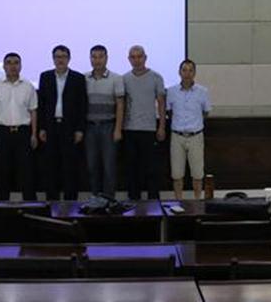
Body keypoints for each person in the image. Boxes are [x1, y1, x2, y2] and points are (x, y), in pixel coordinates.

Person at [0, 52, 39, 201]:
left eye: (16, 63)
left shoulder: (28, 86)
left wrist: (34, 134)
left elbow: (33, 111)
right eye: (9, 63)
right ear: (4, 66)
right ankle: (1, 206)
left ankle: (31, 206)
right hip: (2, 133)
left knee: (27, 172)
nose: (12, 66)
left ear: (20, 66)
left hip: (23, 132)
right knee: (3, 171)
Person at [38, 44, 88, 201]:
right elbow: (41, 104)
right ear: (53, 59)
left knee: (70, 167)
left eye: (63, 57)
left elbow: (82, 105)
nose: (60, 60)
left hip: (70, 128)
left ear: (69, 59)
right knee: (50, 166)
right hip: (51, 127)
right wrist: (42, 127)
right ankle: (51, 202)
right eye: (57, 57)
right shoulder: (45, 76)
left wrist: (80, 129)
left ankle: (70, 204)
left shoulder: (78, 78)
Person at [122, 45, 166, 200]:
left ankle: (153, 202)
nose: (136, 60)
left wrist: (161, 127)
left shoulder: (156, 77)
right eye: (133, 57)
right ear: (129, 59)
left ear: (145, 58)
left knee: (151, 169)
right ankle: (134, 202)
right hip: (129, 130)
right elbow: (122, 104)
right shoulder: (124, 79)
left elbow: (161, 103)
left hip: (149, 130)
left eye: (139, 56)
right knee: (132, 169)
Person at [166, 59, 212, 200]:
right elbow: (169, 112)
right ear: (179, 72)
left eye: (190, 70)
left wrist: (195, 125)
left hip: (195, 136)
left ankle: (198, 201)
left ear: (195, 73)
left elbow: (206, 112)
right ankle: (178, 202)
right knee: (177, 174)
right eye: (184, 70)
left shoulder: (203, 92)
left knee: (197, 174)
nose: (187, 73)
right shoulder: (171, 91)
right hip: (177, 136)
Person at [85, 44, 124, 198]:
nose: (97, 60)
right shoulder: (84, 78)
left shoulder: (116, 78)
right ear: (90, 59)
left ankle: (109, 201)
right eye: (94, 57)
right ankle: (95, 200)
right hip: (89, 128)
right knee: (92, 166)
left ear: (106, 58)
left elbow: (120, 104)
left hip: (109, 127)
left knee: (109, 167)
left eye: (100, 57)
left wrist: (118, 129)